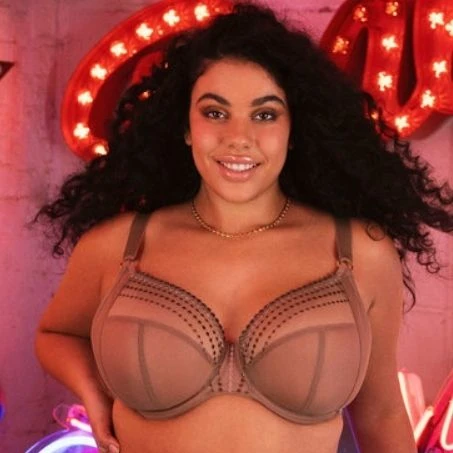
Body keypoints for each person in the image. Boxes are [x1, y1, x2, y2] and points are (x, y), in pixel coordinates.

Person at [34, 3, 453, 453]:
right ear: (185, 127)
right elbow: (57, 334)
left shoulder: (358, 252)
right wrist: (95, 394)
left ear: (294, 129)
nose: (238, 137)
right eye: (215, 113)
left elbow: (381, 413)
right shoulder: (119, 245)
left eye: (265, 114)